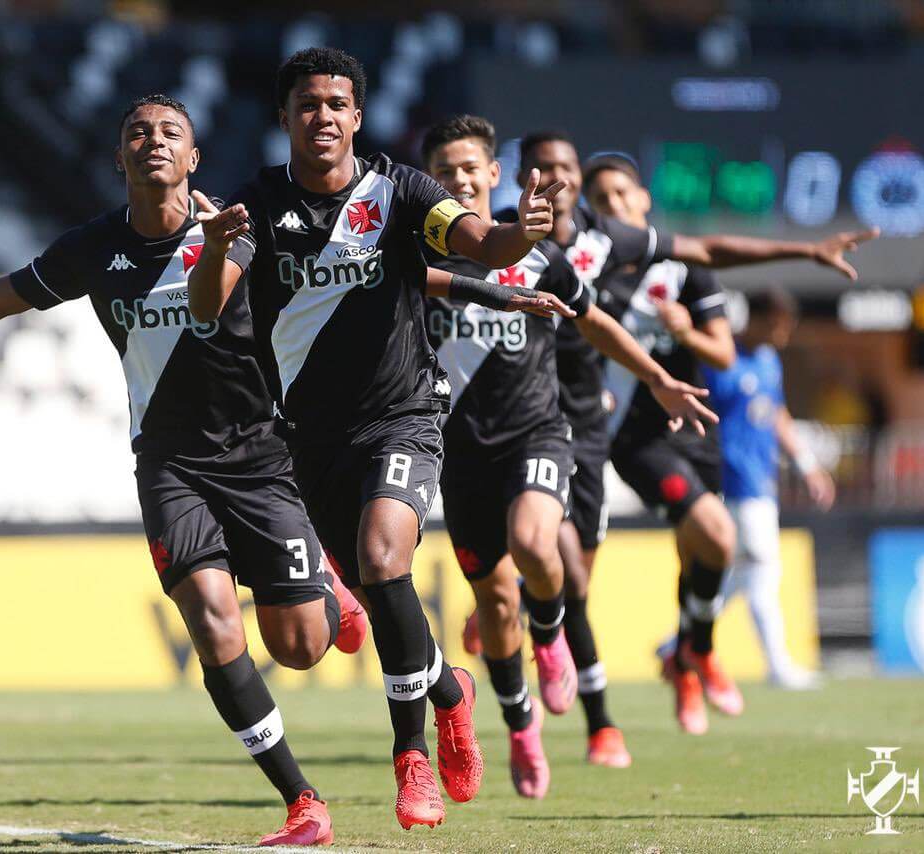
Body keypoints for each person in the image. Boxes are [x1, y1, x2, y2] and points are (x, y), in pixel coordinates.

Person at [0, 94, 368, 848]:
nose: (152, 142)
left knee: (303, 647)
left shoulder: (235, 228)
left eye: (169, 133)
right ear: (119, 159)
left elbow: (280, 297)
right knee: (212, 622)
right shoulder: (93, 248)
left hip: (259, 459)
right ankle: (302, 801)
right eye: (137, 133)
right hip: (171, 464)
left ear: (193, 158)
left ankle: (329, 587)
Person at [187, 48, 569, 830]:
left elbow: (474, 240)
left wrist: (515, 238)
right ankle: (452, 691)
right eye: (307, 104)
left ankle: (413, 759)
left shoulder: (399, 191)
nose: (322, 116)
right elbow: (203, 306)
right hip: (308, 439)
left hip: (403, 416)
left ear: (357, 116)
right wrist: (219, 246)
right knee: (381, 596)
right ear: (286, 118)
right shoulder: (255, 205)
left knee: (384, 560)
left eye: (336, 103)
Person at [507, 133, 875, 752]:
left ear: (645, 199)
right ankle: (597, 706)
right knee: (688, 543)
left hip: (691, 423)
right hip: (613, 433)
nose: (614, 202)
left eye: (622, 191)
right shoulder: (583, 266)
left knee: (702, 551)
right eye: (603, 196)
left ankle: (689, 656)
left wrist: (805, 253)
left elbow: (723, 338)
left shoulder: (674, 264)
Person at [418, 115, 716, 798]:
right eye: (445, 171)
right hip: (459, 453)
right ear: (427, 182)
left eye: (471, 169)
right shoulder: (415, 256)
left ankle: (549, 632)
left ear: (493, 175)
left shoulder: (532, 248)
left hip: (537, 433)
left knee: (536, 542)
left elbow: (595, 323)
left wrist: (658, 377)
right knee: (492, 604)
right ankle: (521, 727)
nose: (459, 180)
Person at [707, 285, 835, 690]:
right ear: (760, 319)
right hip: (734, 479)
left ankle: (678, 643)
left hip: (762, 479)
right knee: (761, 569)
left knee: (739, 574)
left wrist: (807, 464)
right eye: (778, 326)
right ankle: (778, 666)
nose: (783, 335)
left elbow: (777, 413)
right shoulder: (721, 359)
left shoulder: (768, 361)